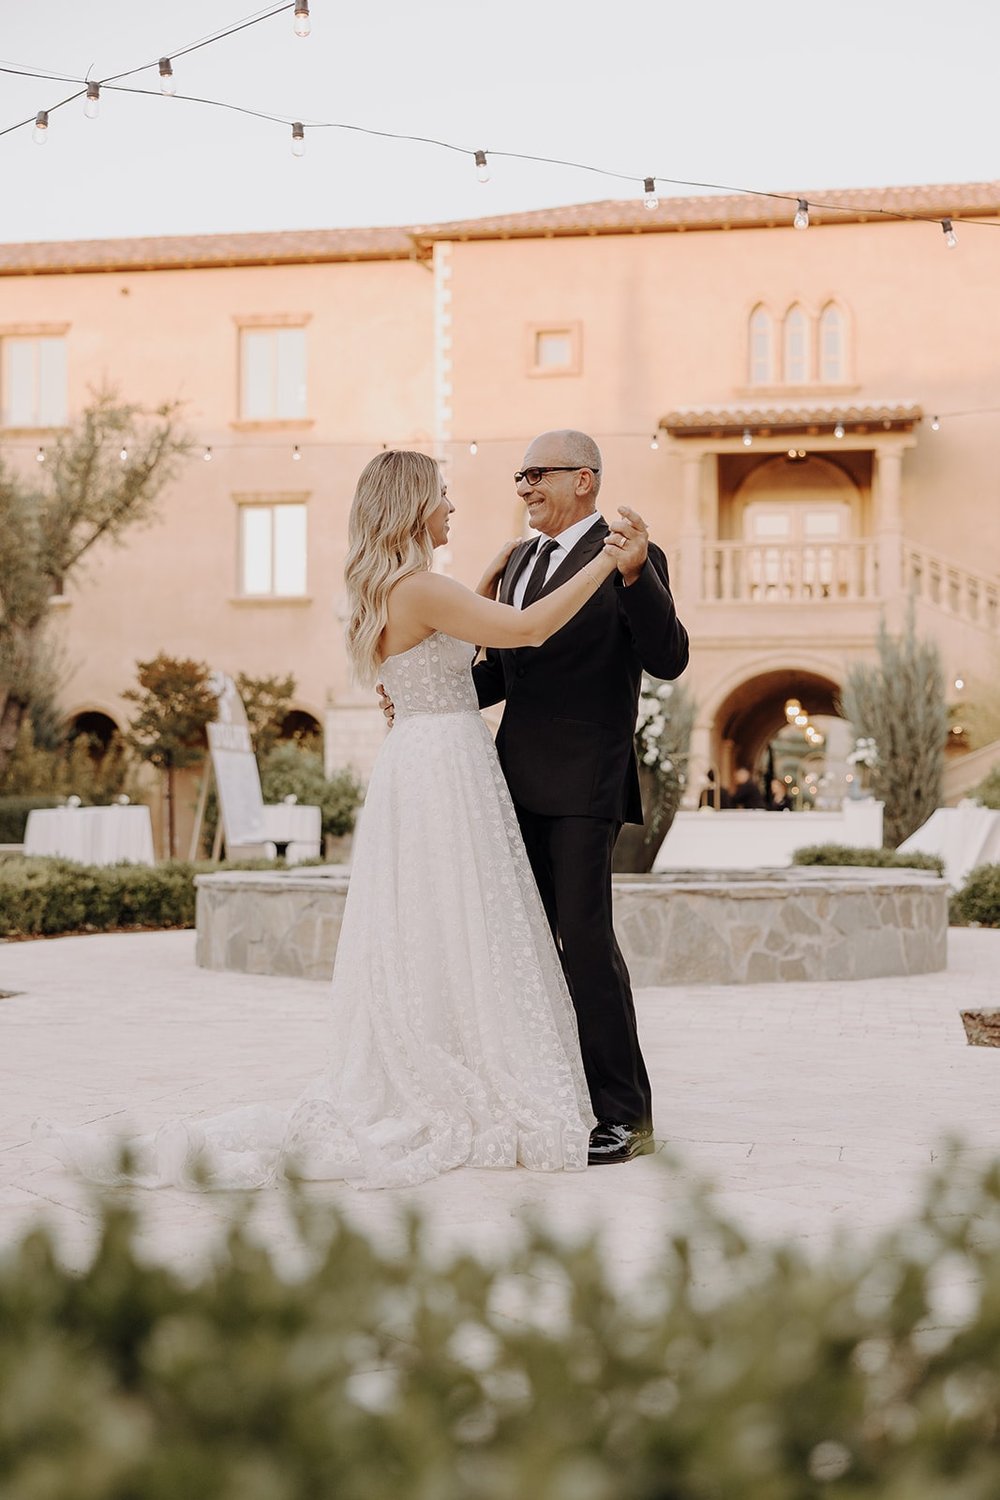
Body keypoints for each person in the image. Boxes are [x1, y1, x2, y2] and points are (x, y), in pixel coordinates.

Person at [36, 450, 629, 1192]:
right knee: (465, 919)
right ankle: (471, 1069)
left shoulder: (387, 590)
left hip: (415, 761)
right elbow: (529, 628)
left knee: (435, 926)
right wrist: (607, 559)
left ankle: (446, 1052)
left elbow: (452, 635)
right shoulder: (423, 589)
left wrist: (484, 575)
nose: (453, 507)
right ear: (414, 506)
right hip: (447, 765)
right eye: (443, 496)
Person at [382, 430, 689, 1164]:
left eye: (535, 475)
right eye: (519, 477)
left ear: (583, 479)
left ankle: (626, 1115)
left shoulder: (628, 555)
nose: (521, 488)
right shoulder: (517, 562)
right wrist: (425, 695)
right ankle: (558, 1094)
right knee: (518, 947)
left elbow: (669, 659)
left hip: (586, 781)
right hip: (502, 782)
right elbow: (511, 667)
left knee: (584, 945)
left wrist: (639, 574)